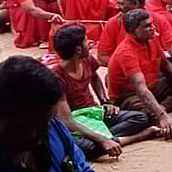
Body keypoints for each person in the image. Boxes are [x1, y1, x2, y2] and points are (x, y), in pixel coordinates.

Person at [0, 55, 95, 171]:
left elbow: (79, 164)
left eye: (49, 123)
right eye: (33, 127)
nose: (45, 135)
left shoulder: (46, 122)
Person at [52, 25, 159, 161]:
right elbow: (67, 121)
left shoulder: (87, 60)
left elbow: (95, 78)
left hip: (94, 113)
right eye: (86, 41)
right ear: (78, 49)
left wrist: (104, 101)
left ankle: (105, 139)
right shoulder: (57, 77)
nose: (89, 43)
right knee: (87, 147)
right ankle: (130, 138)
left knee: (140, 118)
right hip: (76, 122)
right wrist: (102, 139)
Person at [107, 9, 172, 150]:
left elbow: (167, 68)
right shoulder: (126, 52)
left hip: (151, 87)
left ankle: (157, 109)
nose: (152, 27)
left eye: (151, 24)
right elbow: (140, 90)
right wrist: (162, 115)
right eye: (147, 26)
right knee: (149, 115)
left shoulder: (151, 40)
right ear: (134, 31)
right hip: (128, 96)